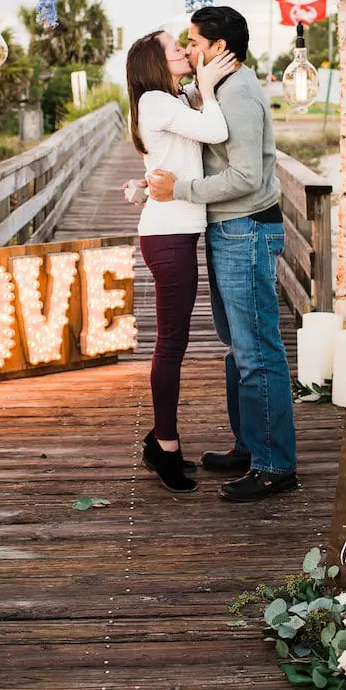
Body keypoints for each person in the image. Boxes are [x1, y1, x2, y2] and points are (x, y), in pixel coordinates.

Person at [147, 6, 298, 503]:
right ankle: (249, 445)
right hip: (228, 230)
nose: (190, 49)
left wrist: (181, 190)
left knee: (258, 351)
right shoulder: (221, 90)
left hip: (247, 229)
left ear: (218, 47)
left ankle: (274, 464)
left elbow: (247, 178)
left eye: (194, 42)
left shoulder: (239, 94)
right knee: (239, 348)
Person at [126, 29, 236, 495]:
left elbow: (179, 152)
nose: (185, 52)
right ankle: (165, 445)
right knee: (171, 345)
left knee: (175, 342)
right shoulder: (154, 99)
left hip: (176, 230)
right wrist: (209, 90)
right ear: (155, 61)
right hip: (168, 235)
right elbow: (217, 130)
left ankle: (160, 439)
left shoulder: (169, 99)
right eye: (176, 48)